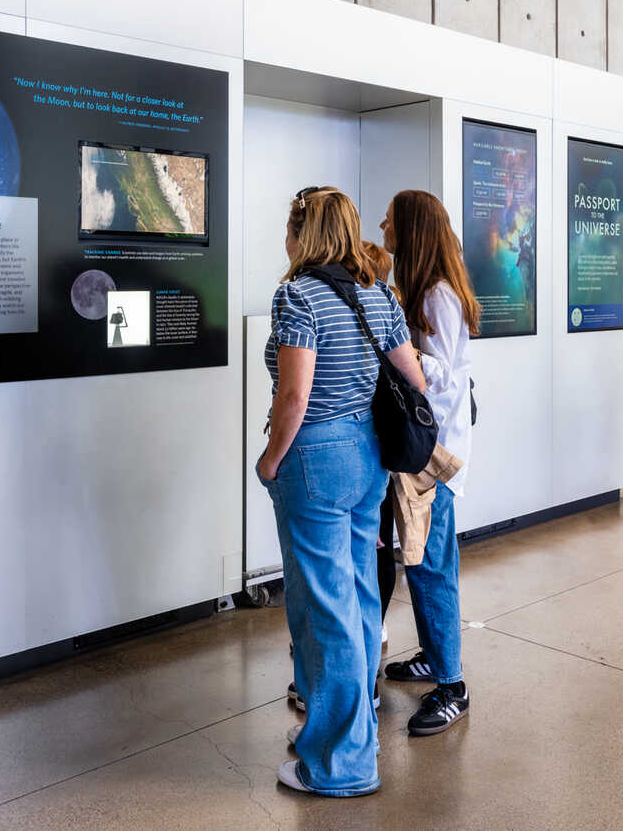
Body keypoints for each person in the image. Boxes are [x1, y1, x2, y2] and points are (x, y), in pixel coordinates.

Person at [258, 187, 427, 797]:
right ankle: (358, 736)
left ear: (304, 233)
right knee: (357, 600)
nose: (285, 238)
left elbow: (294, 396)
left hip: (315, 460)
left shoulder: (296, 295)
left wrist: (271, 460)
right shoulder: (378, 294)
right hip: (367, 458)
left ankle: (338, 764)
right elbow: (416, 377)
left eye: (289, 226)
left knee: (322, 609)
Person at [377, 190, 477, 736]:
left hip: (430, 453)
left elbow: (443, 375)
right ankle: (435, 657)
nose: (382, 224)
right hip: (424, 446)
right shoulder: (420, 289)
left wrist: (400, 352)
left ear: (409, 229)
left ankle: (452, 685)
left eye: (390, 218)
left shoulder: (436, 294)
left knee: (431, 564)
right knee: (422, 560)